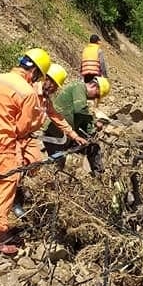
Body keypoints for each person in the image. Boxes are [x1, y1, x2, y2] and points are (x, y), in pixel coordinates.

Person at [0, 47, 52, 255]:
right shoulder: (27, 92)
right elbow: (22, 128)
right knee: (5, 186)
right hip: (1, 145)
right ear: (35, 73)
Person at [13, 63, 88, 218]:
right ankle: (13, 201)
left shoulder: (46, 101)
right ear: (46, 79)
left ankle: (20, 194)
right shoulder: (30, 91)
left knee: (35, 162)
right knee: (17, 167)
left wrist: (74, 136)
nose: (53, 88)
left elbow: (57, 118)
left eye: (56, 86)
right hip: (14, 136)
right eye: (52, 83)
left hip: (27, 137)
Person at [43, 76, 110, 176]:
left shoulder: (81, 96)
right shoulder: (78, 87)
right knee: (57, 163)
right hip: (55, 133)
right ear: (94, 86)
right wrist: (95, 122)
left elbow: (83, 120)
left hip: (67, 134)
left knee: (92, 147)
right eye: (96, 95)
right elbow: (81, 110)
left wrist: (91, 133)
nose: (94, 98)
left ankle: (99, 175)